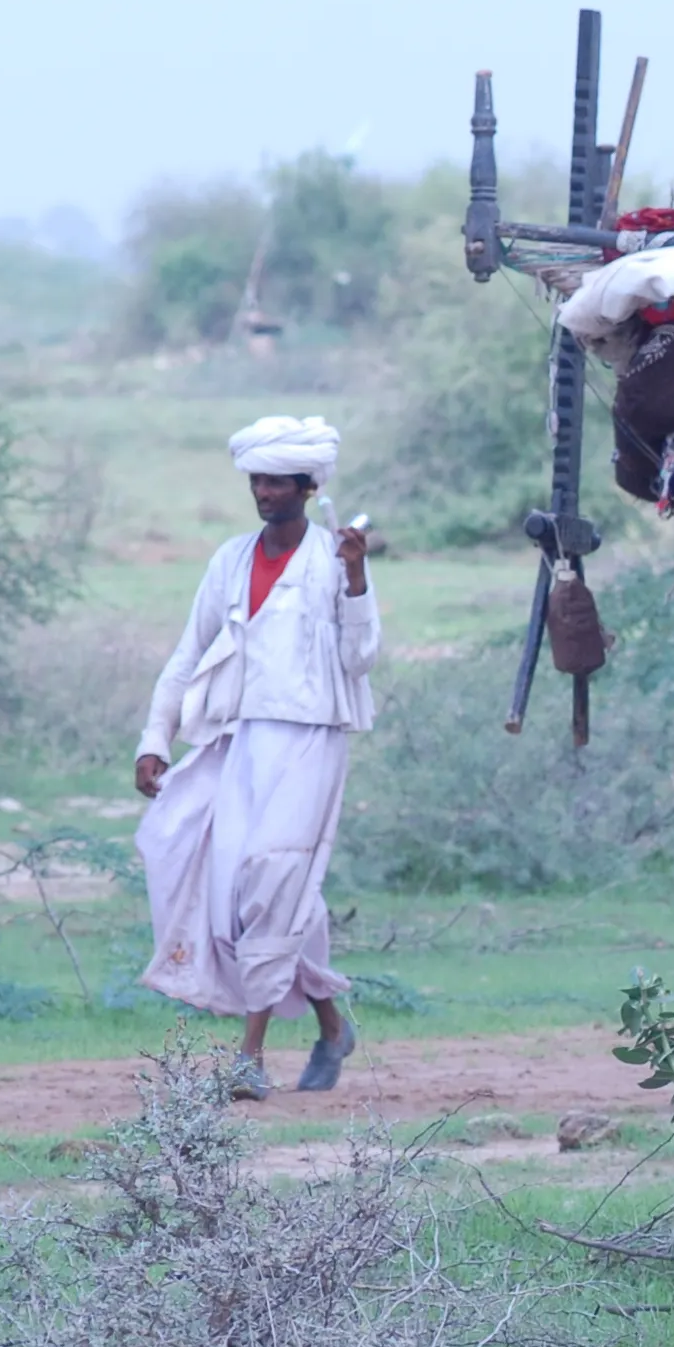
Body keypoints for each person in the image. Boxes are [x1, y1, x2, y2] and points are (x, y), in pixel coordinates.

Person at [134, 415, 377, 1098]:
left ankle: (250, 1058)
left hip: (311, 739)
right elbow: (189, 653)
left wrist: (357, 579)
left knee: (269, 881)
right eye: (257, 482)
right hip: (239, 742)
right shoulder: (230, 560)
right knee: (250, 890)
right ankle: (332, 1027)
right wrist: (155, 739)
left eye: (277, 483)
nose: (265, 493)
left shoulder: (335, 557)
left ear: (307, 487)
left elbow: (361, 657)